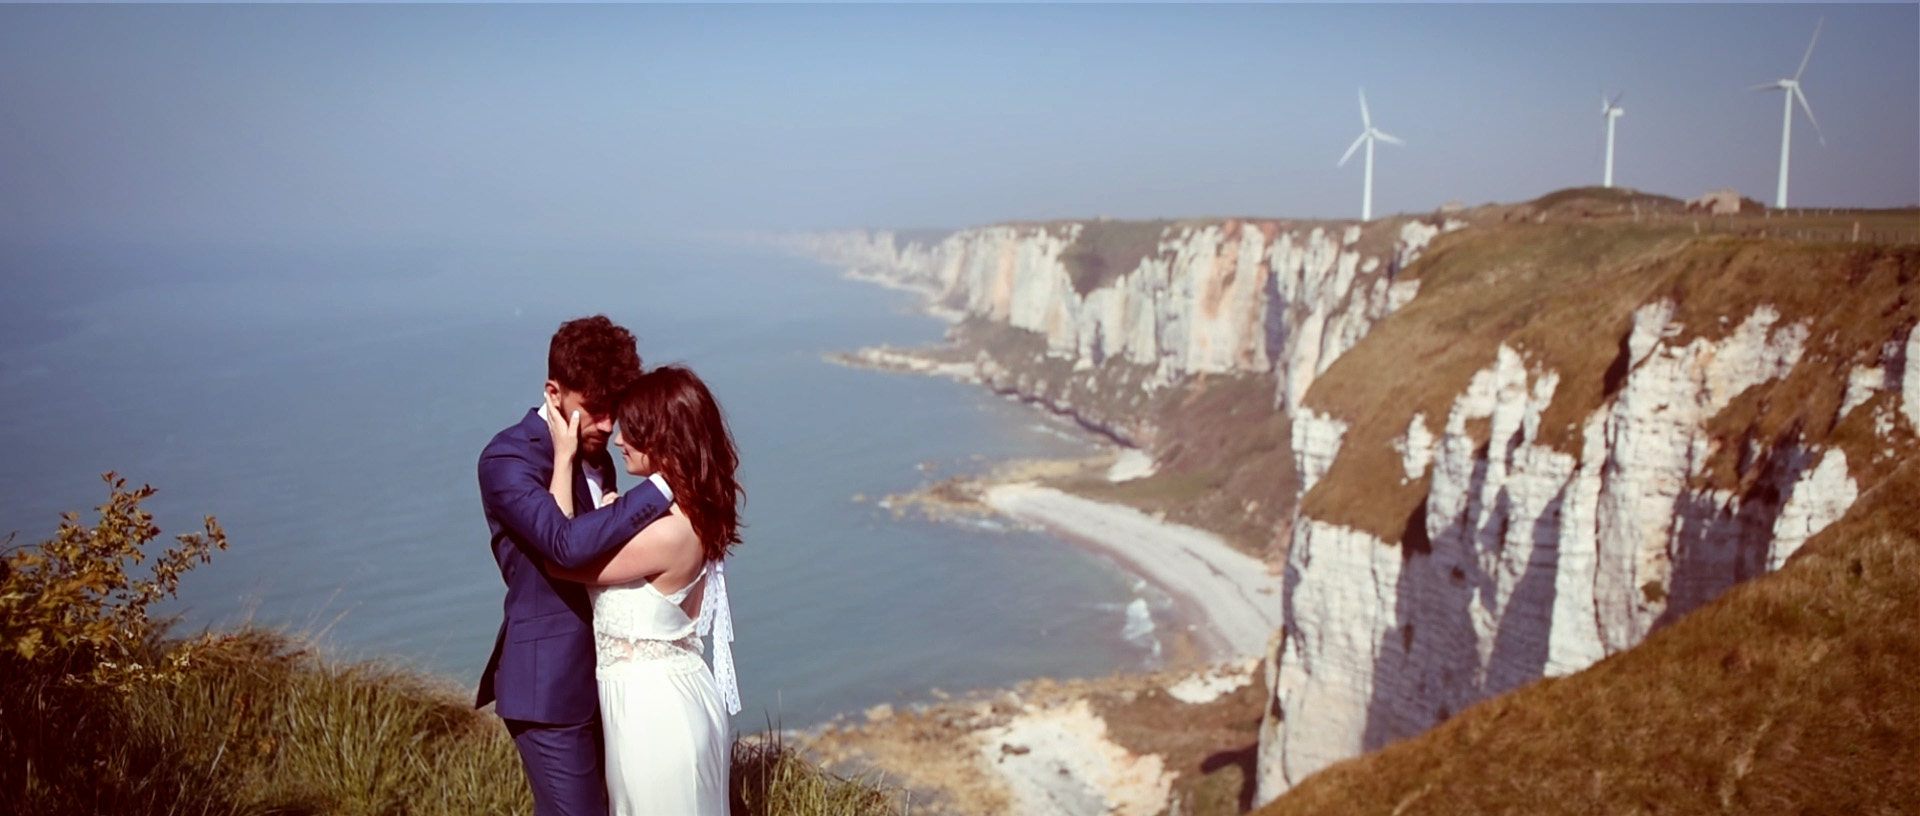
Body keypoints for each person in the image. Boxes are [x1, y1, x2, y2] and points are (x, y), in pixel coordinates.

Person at [476, 316, 675, 816]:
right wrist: (664, 486)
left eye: (614, 409)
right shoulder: (507, 460)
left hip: (605, 680)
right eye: (595, 409)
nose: (609, 426)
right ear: (554, 392)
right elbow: (563, 546)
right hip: (546, 689)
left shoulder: (596, 457)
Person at [544, 364, 744, 816]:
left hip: (656, 714)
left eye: (631, 429)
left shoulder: (667, 532)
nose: (617, 438)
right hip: (661, 699)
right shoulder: (684, 515)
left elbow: (560, 555)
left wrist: (562, 458)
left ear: (661, 437)